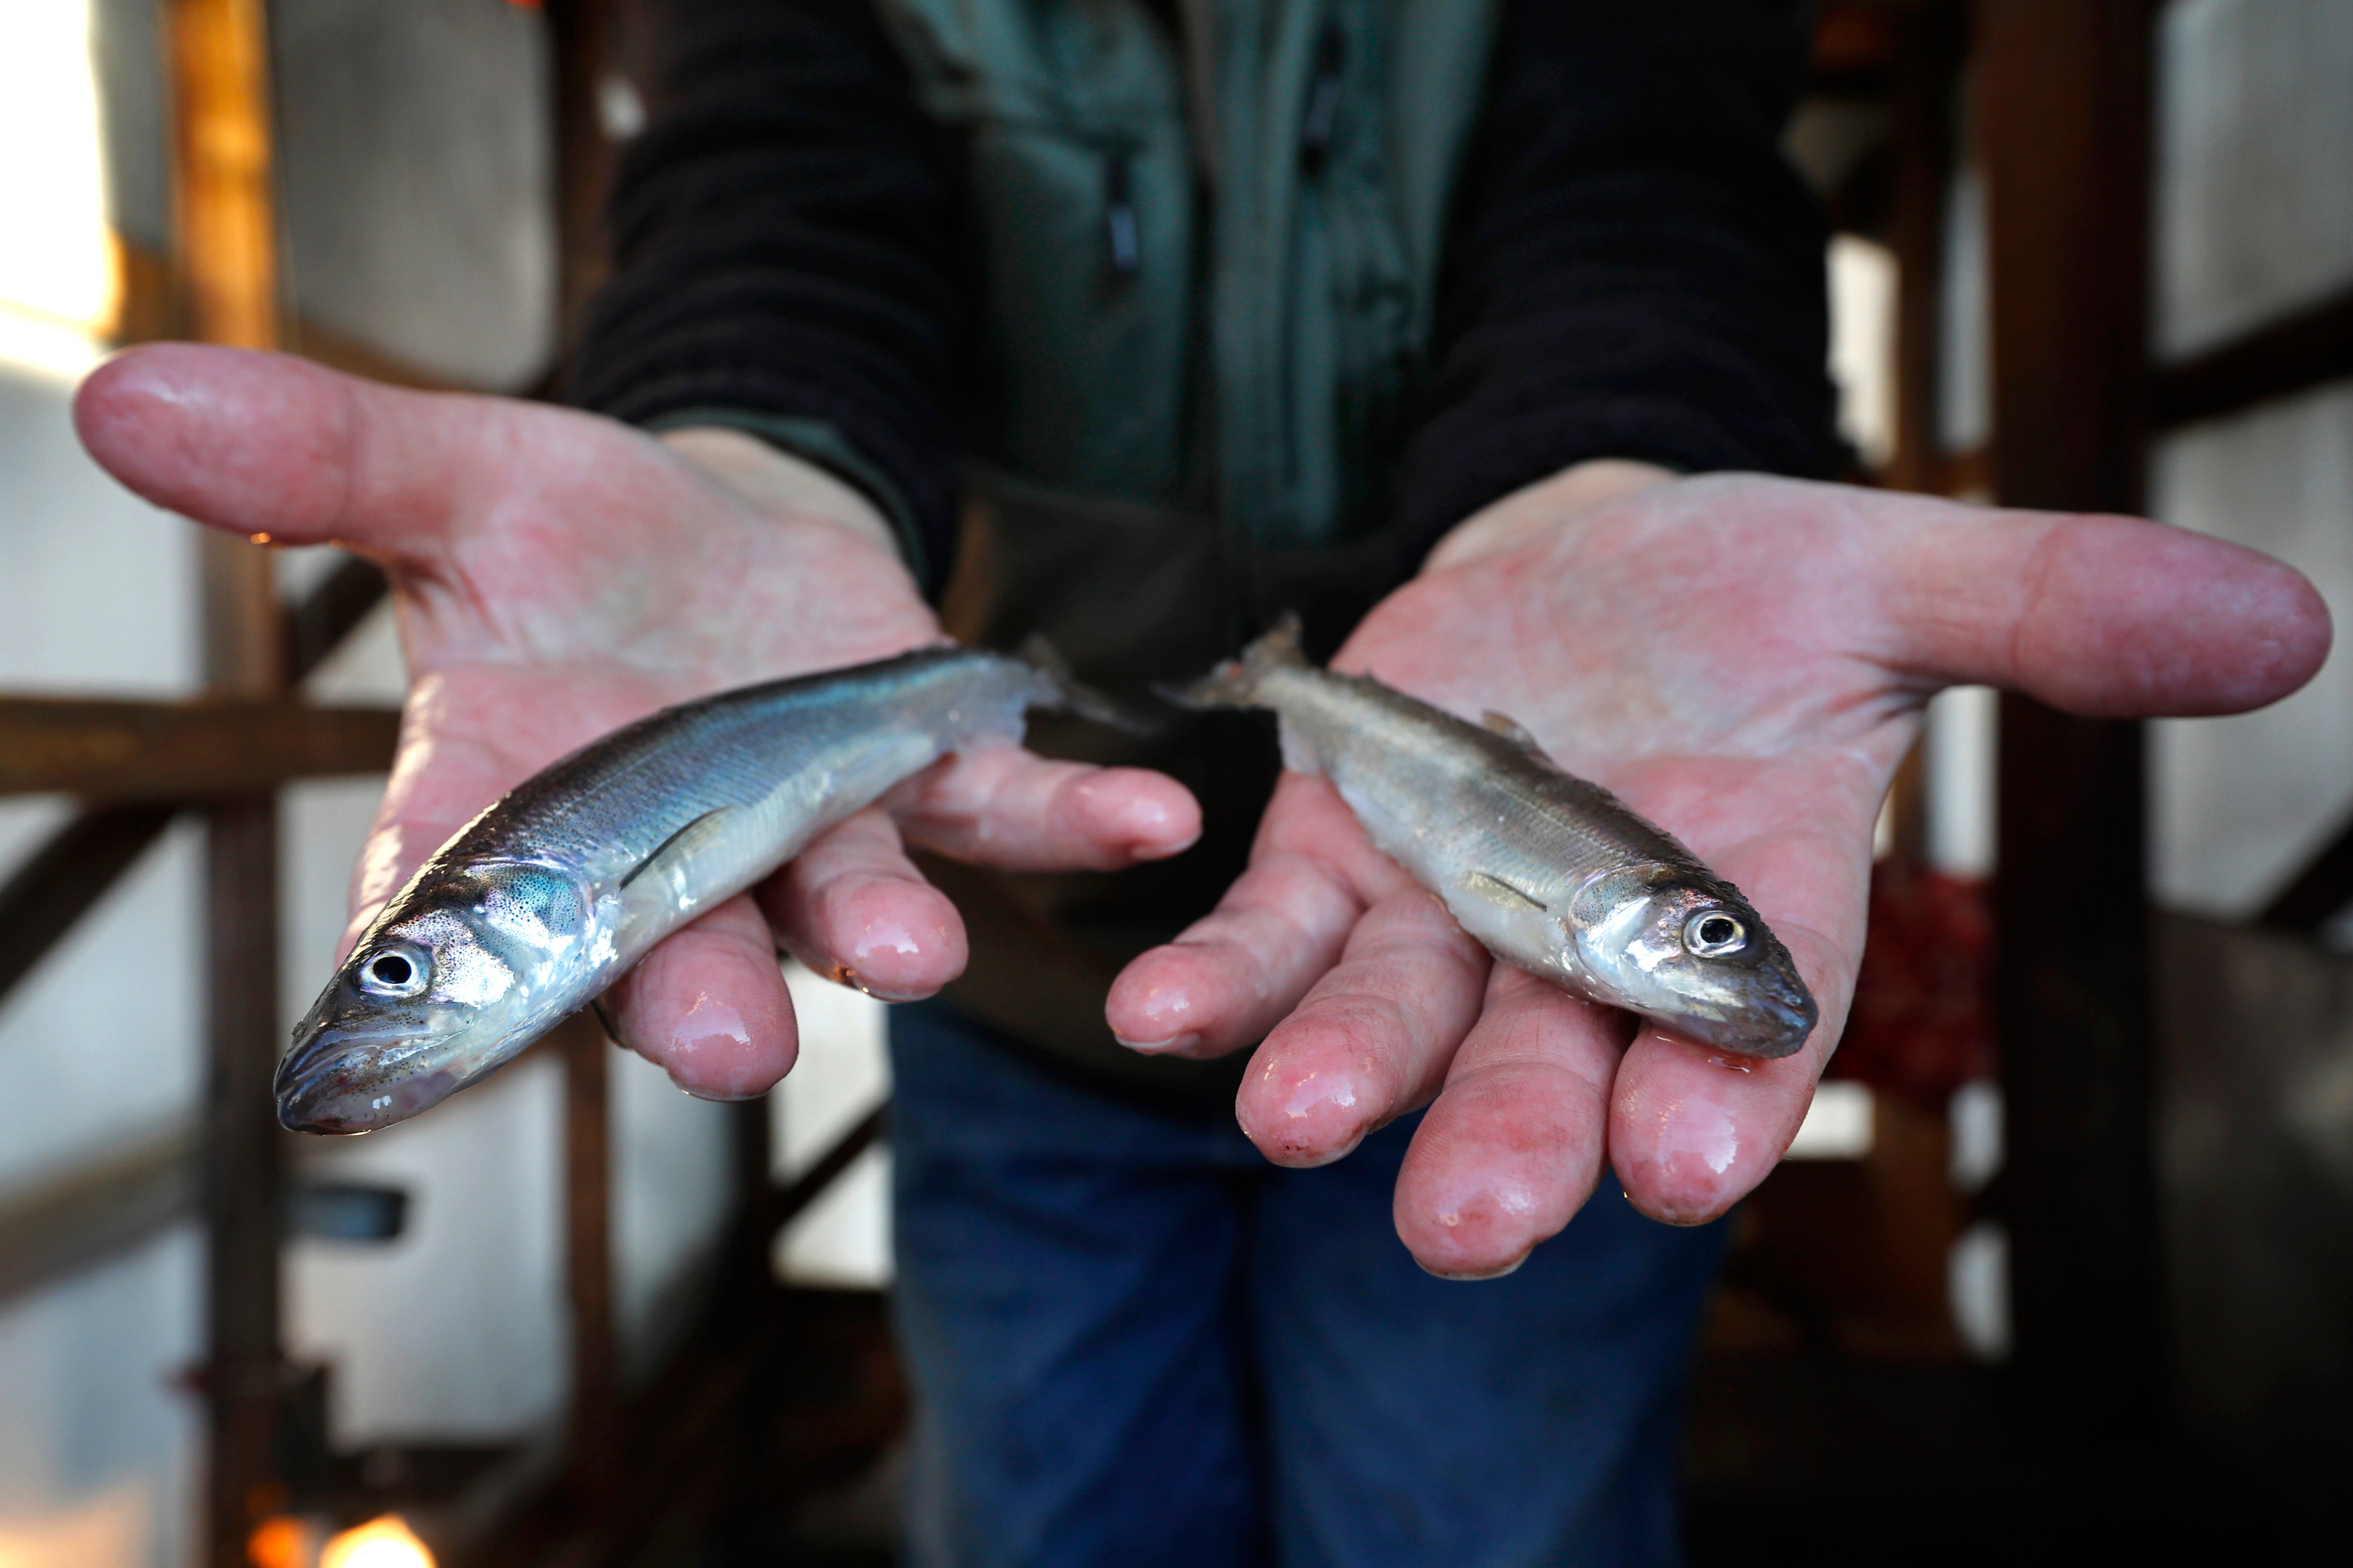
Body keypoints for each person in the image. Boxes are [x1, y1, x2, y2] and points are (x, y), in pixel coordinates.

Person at [74, 0, 2327, 1562]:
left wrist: (1608, 458)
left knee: (1483, 1533)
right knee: (1043, 1529)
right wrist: (744, 437)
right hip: (1024, 961)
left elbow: (1653, 170)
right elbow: (776, 179)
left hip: (1496, 1025)